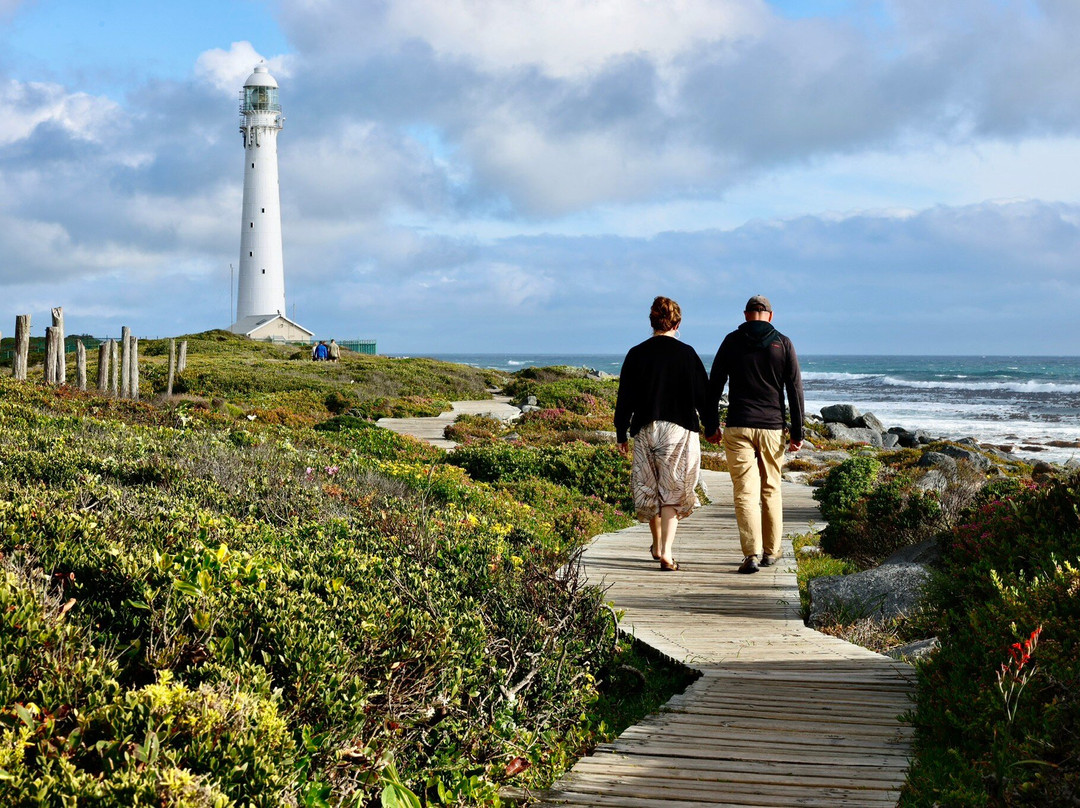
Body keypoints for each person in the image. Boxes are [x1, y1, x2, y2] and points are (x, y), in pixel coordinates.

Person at [615, 296, 718, 571]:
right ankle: (667, 552)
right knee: (672, 489)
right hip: (678, 429)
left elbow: (624, 396)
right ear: (677, 322)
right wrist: (711, 426)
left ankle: (657, 543)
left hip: (646, 428)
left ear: (652, 322)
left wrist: (621, 433)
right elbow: (703, 396)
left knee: (649, 488)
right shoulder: (687, 354)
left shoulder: (636, 353)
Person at [707, 295, 804, 574]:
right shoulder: (783, 343)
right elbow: (794, 390)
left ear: (746, 315)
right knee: (771, 488)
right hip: (772, 428)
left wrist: (711, 424)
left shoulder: (731, 341)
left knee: (744, 492)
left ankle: (751, 553)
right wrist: (797, 432)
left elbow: (714, 384)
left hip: (738, 426)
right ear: (770, 316)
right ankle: (771, 553)